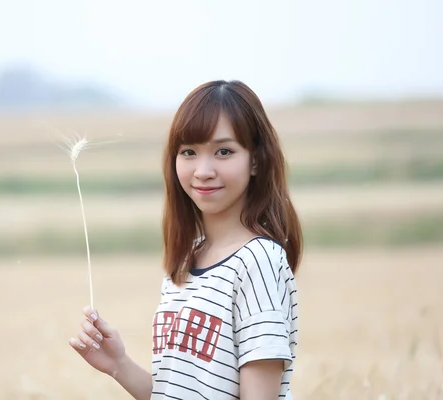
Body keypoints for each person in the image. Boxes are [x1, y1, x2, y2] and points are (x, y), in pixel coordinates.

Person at [68, 79, 303, 400]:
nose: (203, 170)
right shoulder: (184, 263)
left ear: (256, 160)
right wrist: (118, 365)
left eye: (223, 151)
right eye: (189, 152)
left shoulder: (258, 261)